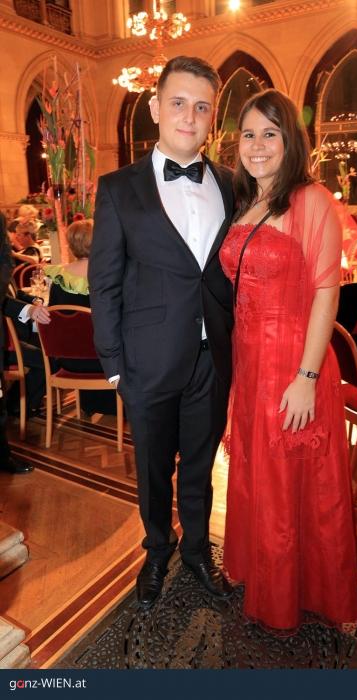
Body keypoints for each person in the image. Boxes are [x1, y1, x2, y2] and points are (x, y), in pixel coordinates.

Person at [89, 56, 235, 609]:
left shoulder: (231, 184)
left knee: (200, 463)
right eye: (178, 103)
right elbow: (104, 283)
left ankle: (196, 549)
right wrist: (114, 365)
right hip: (146, 360)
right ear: (154, 108)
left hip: (212, 358)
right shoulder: (117, 188)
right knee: (153, 469)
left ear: (212, 117)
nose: (189, 117)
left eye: (201, 107)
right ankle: (157, 550)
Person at [219, 89, 357, 632]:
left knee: (294, 482)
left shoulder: (311, 199)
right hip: (249, 361)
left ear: (290, 141)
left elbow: (327, 293)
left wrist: (306, 376)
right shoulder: (245, 201)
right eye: (248, 135)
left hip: (293, 362)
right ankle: (261, 571)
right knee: (257, 474)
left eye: (270, 134)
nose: (257, 146)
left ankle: (299, 592)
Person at [45, 219, 116, 416]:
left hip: (69, 361)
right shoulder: (110, 277)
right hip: (106, 361)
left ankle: (88, 404)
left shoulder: (59, 278)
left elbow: (54, 323)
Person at [0, 212, 49, 473]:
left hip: (10, 338)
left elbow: (7, 294)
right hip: (11, 343)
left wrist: (30, 306)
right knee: (42, 359)